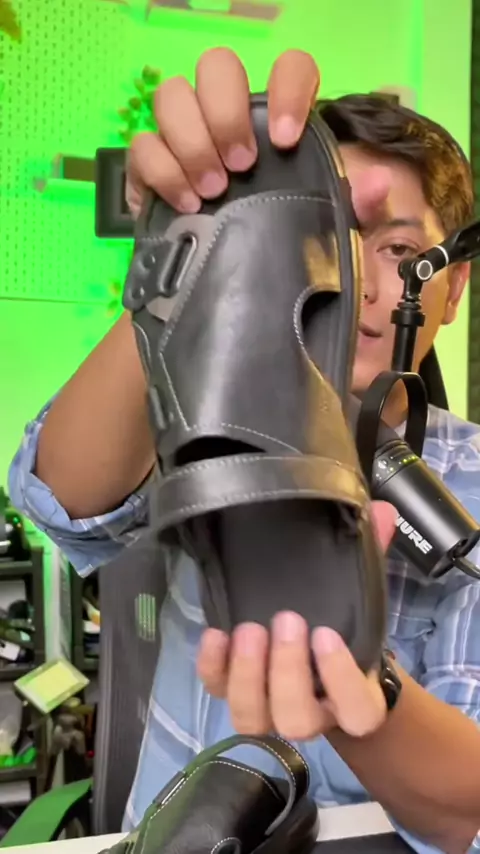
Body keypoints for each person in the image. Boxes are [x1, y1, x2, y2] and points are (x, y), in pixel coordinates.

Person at [8, 48, 480, 854]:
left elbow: (468, 809)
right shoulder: (209, 411)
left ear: (454, 288)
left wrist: (350, 680)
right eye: (328, 238)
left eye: (399, 252)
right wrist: (194, 266)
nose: (361, 282)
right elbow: (61, 502)